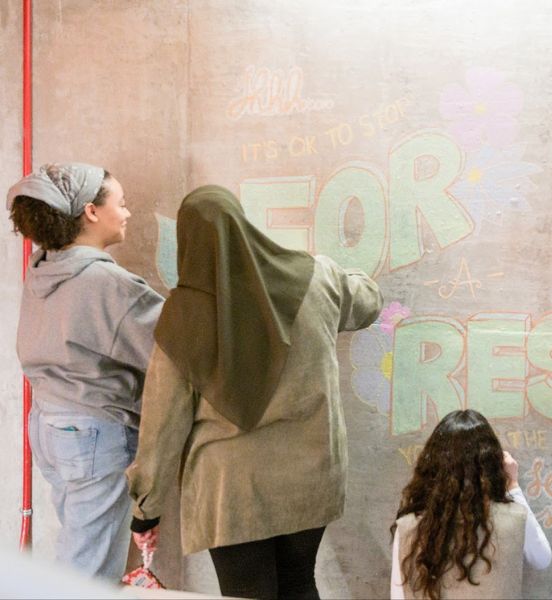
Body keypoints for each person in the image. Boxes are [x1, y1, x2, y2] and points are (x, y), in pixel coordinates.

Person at [125, 185, 383, 599]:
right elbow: (368, 301)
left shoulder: (182, 318)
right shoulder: (317, 276)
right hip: (309, 474)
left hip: (231, 492)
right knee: (300, 582)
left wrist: (145, 510)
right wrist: (344, 274)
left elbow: (162, 426)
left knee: (247, 593)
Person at [6, 163, 165, 579]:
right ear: (91, 212)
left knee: (78, 554)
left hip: (50, 426)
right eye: (122, 203)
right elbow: (175, 352)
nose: (128, 213)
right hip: (93, 432)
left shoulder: (45, 267)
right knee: (89, 573)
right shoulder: (106, 283)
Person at [391, 409, 552, 599]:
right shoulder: (512, 520)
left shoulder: (409, 526)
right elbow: (542, 559)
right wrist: (513, 486)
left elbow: (397, 596)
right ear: (493, 465)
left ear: (433, 465)